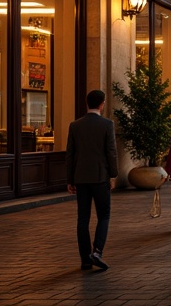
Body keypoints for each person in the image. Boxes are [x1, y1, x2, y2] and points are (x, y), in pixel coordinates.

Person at [66, 89, 116, 271]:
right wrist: (113, 175)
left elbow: (70, 154)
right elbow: (111, 152)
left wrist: (70, 179)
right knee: (104, 215)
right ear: (102, 104)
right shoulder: (107, 124)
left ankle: (85, 259)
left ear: (87, 104)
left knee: (83, 218)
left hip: (80, 177)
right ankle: (97, 252)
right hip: (100, 176)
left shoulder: (75, 125)